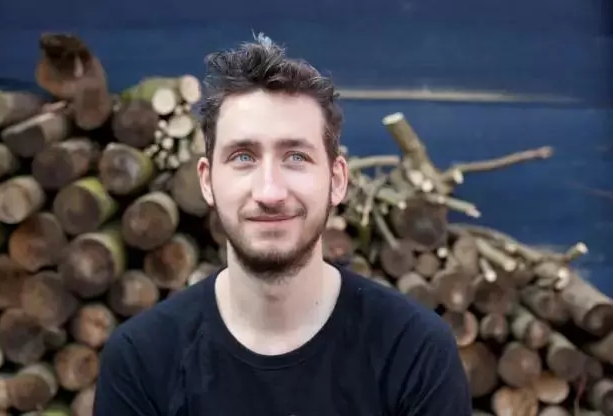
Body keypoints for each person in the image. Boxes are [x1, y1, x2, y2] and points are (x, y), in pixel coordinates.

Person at [93, 33, 473, 416]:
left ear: (337, 180)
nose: (270, 192)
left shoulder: (414, 352)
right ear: (206, 181)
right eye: (243, 157)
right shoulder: (142, 361)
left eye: (295, 157)